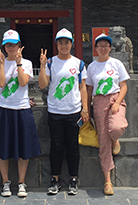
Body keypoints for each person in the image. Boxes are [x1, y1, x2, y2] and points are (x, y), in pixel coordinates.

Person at [0, 29, 41, 198]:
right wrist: (2, 64)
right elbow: (0, 83)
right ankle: (5, 182)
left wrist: (18, 64)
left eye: (14, 44)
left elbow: (23, 83)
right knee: (3, 147)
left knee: (24, 147)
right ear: (4, 46)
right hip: (4, 108)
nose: (11, 47)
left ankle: (22, 182)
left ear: (19, 45)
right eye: (8, 45)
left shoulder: (27, 63)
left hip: (22, 108)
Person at [39, 28, 89, 196]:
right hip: (55, 111)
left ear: (71, 44)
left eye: (66, 42)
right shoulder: (51, 62)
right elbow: (43, 85)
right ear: (56, 45)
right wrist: (42, 66)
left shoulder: (78, 63)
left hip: (73, 111)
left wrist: (85, 108)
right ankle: (55, 179)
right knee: (56, 146)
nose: (63, 46)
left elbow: (83, 87)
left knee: (73, 146)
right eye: (60, 43)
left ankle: (73, 179)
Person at [86, 33, 130, 196]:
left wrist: (117, 102)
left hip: (115, 99)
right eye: (100, 46)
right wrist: (86, 108)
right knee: (103, 142)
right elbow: (89, 89)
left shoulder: (116, 64)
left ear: (110, 48)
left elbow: (124, 86)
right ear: (96, 49)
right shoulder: (92, 67)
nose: (103, 48)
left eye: (106, 46)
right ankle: (107, 181)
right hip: (98, 101)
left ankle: (115, 138)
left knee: (117, 127)